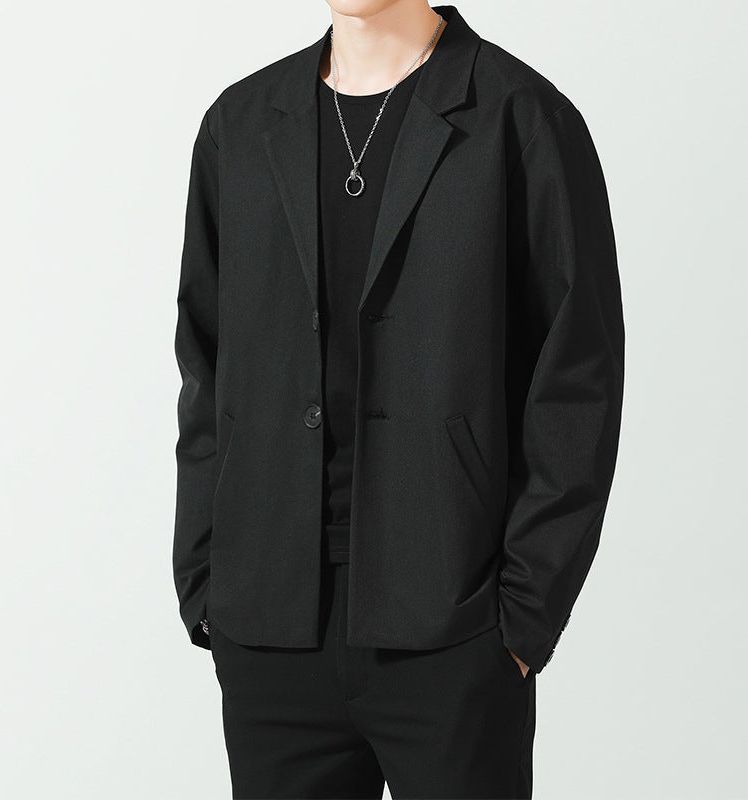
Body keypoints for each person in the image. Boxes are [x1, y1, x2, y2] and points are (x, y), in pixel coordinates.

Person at [172, 2, 624, 797]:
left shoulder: (521, 118)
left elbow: (577, 378)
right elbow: (205, 364)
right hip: (270, 626)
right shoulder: (240, 125)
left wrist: (524, 614)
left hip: (454, 624)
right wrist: (207, 578)